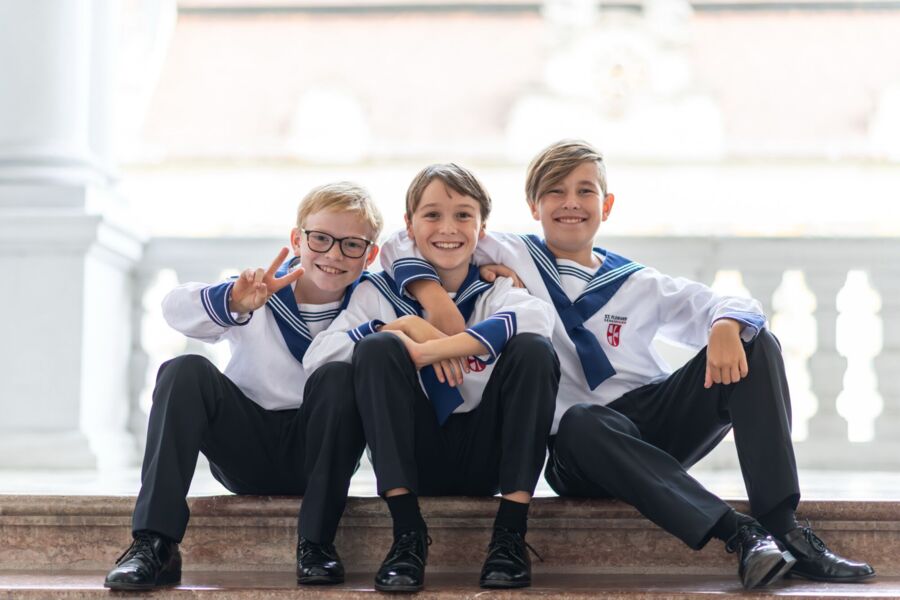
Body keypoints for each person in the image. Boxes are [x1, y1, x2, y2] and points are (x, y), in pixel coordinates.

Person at [380, 140, 875, 589]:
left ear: (606, 205)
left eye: (584, 190)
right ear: (534, 205)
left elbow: (732, 303)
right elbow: (407, 241)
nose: (570, 202)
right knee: (581, 421)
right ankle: (738, 534)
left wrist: (724, 325)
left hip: (649, 425)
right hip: (579, 449)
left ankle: (783, 527)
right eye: (554, 191)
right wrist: (437, 306)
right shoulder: (510, 250)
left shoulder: (638, 282)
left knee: (756, 342)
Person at [104, 182, 383, 590]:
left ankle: (317, 543)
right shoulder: (258, 290)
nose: (333, 254)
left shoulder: (372, 300)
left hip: (321, 453)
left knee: (338, 377)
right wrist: (234, 300)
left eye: (351, 245)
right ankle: (154, 542)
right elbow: (174, 309)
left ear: (370, 254)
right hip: (248, 448)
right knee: (184, 369)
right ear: (297, 239)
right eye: (320, 238)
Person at [304, 163, 559, 592]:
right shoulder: (378, 290)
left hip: (486, 455)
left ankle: (510, 535)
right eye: (432, 215)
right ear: (409, 226)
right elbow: (319, 357)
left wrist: (437, 348)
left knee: (534, 349)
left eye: (463, 215)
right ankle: (407, 535)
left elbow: (537, 317)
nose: (448, 228)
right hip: (415, 452)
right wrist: (401, 327)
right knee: (378, 347)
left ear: (482, 228)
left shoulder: (494, 288)